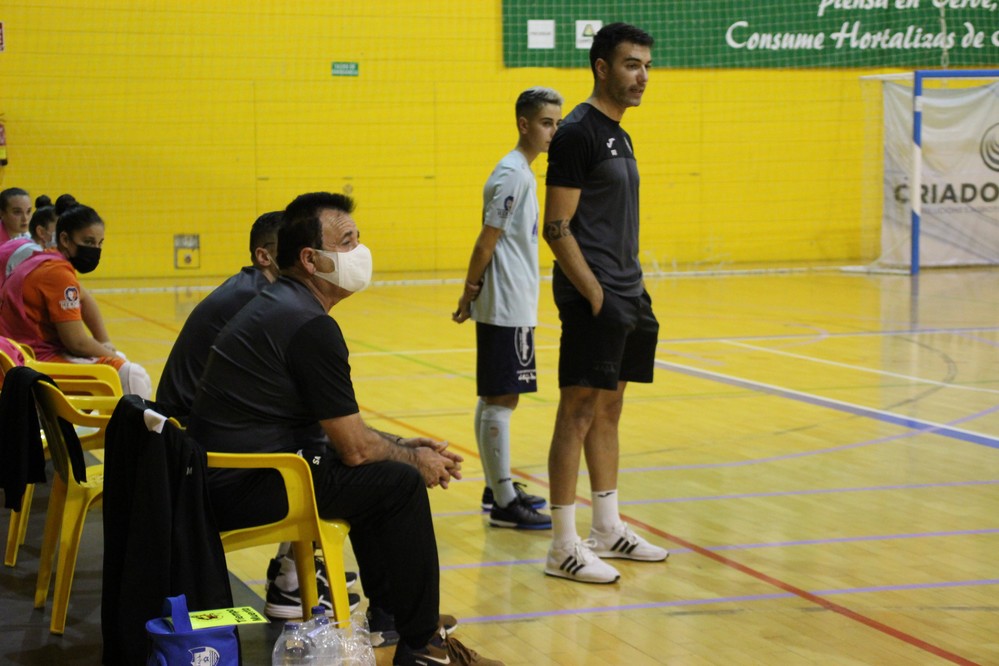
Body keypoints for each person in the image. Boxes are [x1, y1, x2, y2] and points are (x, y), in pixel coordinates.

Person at [188, 192, 502, 665]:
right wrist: (414, 460)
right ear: (311, 259)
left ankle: (395, 626)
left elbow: (338, 429)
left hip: (240, 472)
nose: (361, 252)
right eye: (348, 241)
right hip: (246, 484)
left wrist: (399, 444)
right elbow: (354, 450)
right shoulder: (307, 325)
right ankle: (423, 646)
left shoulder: (284, 305)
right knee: (396, 483)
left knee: (382, 477)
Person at [157, 210, 361, 618]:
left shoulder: (253, 290)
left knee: (325, 438)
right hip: (194, 443)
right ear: (267, 258)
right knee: (326, 450)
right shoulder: (262, 300)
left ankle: (303, 565)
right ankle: (290, 582)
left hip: (185, 431)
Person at [541, 23, 668, 584]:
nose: (642, 76)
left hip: (627, 290)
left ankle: (608, 527)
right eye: (631, 65)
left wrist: (630, 291)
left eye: (645, 65)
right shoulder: (577, 133)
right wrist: (595, 295)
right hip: (596, 297)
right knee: (578, 411)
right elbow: (557, 227)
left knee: (610, 410)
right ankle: (563, 544)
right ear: (601, 67)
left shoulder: (621, 133)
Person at [452, 87, 563, 530]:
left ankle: (497, 486)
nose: (553, 131)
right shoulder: (514, 174)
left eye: (557, 123)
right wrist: (468, 291)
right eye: (545, 123)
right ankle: (502, 502)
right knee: (503, 398)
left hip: (510, 298)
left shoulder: (520, 172)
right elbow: (487, 239)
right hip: (508, 301)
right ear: (524, 124)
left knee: (494, 396)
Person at [0, 203, 152, 397]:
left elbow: (85, 299)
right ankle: (132, 428)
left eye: (99, 243)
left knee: (117, 361)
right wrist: (113, 354)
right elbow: (76, 343)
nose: (95, 250)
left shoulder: (43, 259)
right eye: (88, 242)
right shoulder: (57, 273)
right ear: (65, 239)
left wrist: (104, 342)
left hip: (17, 356)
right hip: (32, 362)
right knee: (131, 374)